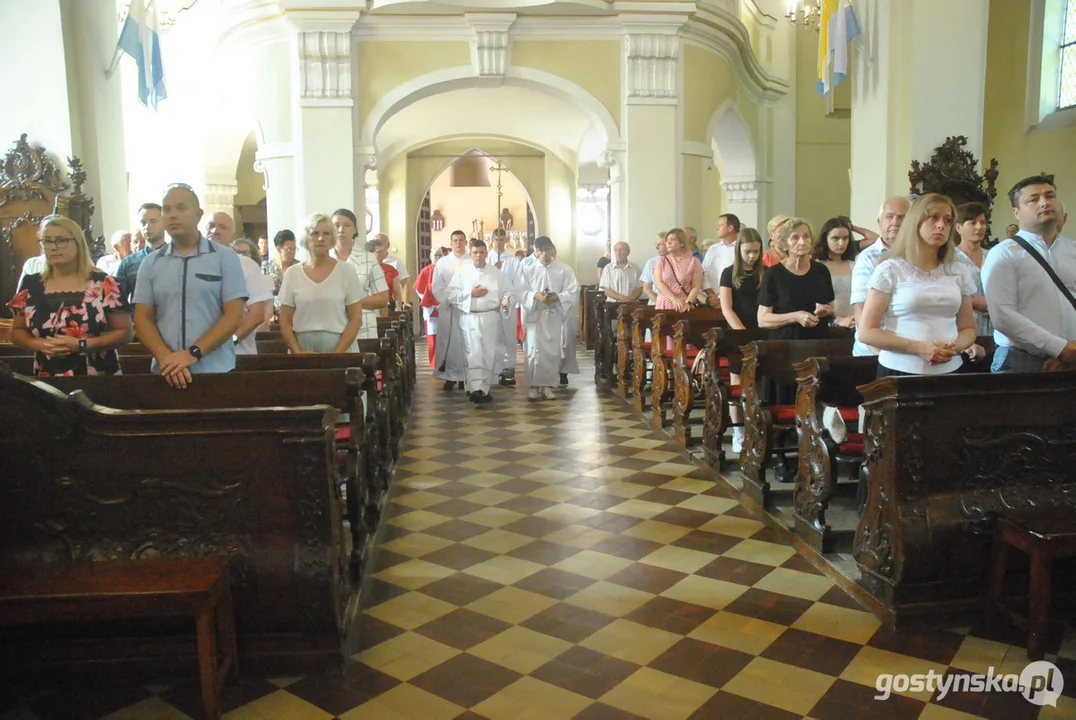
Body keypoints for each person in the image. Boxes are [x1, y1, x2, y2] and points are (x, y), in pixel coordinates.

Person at [132, 184, 248, 388]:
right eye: (166, 209)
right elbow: (142, 318)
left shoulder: (224, 257)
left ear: (198, 214)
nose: (172, 215)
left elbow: (234, 314)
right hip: (166, 371)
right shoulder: (150, 263)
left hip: (216, 370)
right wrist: (167, 358)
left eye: (181, 208)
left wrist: (193, 353)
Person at [859, 194, 979, 377]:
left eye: (947, 220)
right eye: (933, 218)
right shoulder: (890, 269)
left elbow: (968, 328)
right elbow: (867, 332)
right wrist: (920, 348)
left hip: (950, 369)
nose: (941, 225)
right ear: (916, 222)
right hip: (900, 370)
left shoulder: (958, 270)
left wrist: (952, 348)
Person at [7, 215, 133, 376]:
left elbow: (124, 332)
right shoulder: (31, 284)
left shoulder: (104, 283)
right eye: (47, 241)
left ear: (78, 243)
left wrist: (82, 344)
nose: (53, 247)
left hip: (98, 375)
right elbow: (17, 332)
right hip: (48, 374)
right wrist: (41, 345)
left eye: (61, 240)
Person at [983, 175, 1076, 373]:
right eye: (1033, 199)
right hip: (1020, 360)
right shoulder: (1004, 253)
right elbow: (1003, 316)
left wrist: (1071, 353)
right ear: (1016, 212)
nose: (1044, 203)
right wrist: (1059, 349)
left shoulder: (1073, 250)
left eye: (1050, 196)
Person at [278, 214, 365, 354]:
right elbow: (285, 321)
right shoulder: (292, 273)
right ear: (306, 238)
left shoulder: (346, 271)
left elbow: (356, 318)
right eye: (315, 233)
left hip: (341, 346)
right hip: (302, 348)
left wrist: (337, 352)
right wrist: (297, 352)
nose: (321, 238)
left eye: (326, 233)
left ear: (332, 239)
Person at [446, 240, 514, 404]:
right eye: (475, 252)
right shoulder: (462, 272)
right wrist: (471, 294)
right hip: (470, 317)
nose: (478, 256)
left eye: (482, 252)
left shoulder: (496, 273)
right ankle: (477, 388)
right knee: (474, 353)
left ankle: (482, 388)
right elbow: (451, 294)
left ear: (486, 253)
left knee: (487, 353)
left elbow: (508, 290)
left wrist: (506, 299)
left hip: (490, 317)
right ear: (471, 253)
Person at [718, 227, 765, 453]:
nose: (752, 256)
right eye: (747, 252)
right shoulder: (729, 273)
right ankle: (738, 430)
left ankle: (756, 427)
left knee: (758, 382)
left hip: (761, 330)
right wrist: (743, 333)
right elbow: (727, 308)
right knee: (738, 382)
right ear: (739, 251)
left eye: (755, 252)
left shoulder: (765, 272)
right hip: (738, 332)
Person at [850, 196, 913, 356]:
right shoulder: (868, 258)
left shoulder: (918, 256)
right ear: (879, 222)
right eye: (889, 217)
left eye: (902, 217)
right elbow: (860, 308)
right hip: (873, 352)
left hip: (909, 348)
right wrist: (878, 352)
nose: (895, 222)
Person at [519, 236, 580, 400]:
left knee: (551, 352)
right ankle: (533, 386)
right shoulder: (528, 269)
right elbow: (521, 291)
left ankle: (546, 385)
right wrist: (535, 295)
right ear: (536, 251)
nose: (545, 253)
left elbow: (574, 289)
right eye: (541, 250)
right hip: (535, 316)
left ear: (553, 250)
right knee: (533, 352)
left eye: (548, 249)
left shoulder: (564, 269)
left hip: (553, 315)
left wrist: (558, 297)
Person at [205, 212, 273, 355]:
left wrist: (230, 342)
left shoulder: (247, 265)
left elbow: (257, 314)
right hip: (199, 355)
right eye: (210, 226)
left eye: (222, 227)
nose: (215, 231)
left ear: (233, 236)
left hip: (238, 353)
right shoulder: (193, 264)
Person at [757, 218, 835, 339]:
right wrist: (796, 317)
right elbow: (762, 319)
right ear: (784, 244)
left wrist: (828, 311)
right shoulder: (773, 274)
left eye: (806, 236)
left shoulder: (821, 271)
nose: (802, 242)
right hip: (785, 345)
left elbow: (833, 309)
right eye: (795, 238)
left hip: (819, 342)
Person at [332, 209, 390, 339]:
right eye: (336, 225)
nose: (341, 230)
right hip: (331, 327)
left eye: (346, 225)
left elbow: (382, 299)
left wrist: (351, 301)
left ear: (355, 230)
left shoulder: (368, 258)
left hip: (363, 328)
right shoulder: (323, 258)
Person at [431, 230, 472, 390]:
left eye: (461, 240)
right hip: (449, 309)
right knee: (448, 342)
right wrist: (450, 299)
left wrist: (466, 299)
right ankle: (449, 376)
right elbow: (437, 285)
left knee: (465, 342)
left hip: (468, 309)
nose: (458, 243)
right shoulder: (443, 262)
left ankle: (464, 377)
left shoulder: (471, 261)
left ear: (465, 242)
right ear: (451, 242)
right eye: (455, 240)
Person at [490, 228, 524, 385]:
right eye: (496, 239)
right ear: (492, 240)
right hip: (489, 305)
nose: (499, 242)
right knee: (493, 338)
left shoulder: (512, 261)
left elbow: (517, 283)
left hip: (507, 304)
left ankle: (508, 371)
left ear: (506, 240)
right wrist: (493, 270)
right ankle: (493, 371)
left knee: (508, 338)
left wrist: (509, 298)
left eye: (502, 239)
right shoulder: (487, 258)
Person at [953, 202, 993, 337]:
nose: (979, 227)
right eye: (972, 223)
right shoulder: (949, 259)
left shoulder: (993, 256)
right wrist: (974, 302)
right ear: (958, 227)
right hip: (961, 331)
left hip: (995, 331)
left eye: (982, 222)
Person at [115, 202, 166, 304]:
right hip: (138, 317)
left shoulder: (177, 257)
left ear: (164, 223)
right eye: (143, 223)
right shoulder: (128, 262)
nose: (147, 227)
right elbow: (118, 301)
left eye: (153, 221)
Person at [813, 217, 858, 328]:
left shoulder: (854, 265)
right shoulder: (816, 267)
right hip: (829, 325)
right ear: (826, 239)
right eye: (835, 238)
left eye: (845, 238)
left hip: (855, 323)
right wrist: (837, 319)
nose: (841, 243)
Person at [413, 246, 450, 367]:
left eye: (440, 255)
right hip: (431, 309)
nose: (437, 258)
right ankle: (435, 363)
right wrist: (432, 303)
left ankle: (447, 362)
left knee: (446, 338)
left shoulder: (447, 271)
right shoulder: (425, 271)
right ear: (430, 257)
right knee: (433, 339)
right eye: (435, 255)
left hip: (446, 308)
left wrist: (443, 303)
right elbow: (419, 290)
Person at [653, 228, 704, 313]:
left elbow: (696, 287)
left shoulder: (694, 261)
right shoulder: (661, 261)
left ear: (682, 243)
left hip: (684, 305)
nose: (668, 243)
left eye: (672, 239)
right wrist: (674, 299)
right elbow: (658, 283)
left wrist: (688, 302)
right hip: (664, 304)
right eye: (667, 240)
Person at [702, 214, 741, 307]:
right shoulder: (713, 249)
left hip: (734, 301)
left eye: (720, 225)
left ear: (730, 227)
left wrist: (723, 297)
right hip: (712, 301)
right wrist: (710, 294)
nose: (717, 228)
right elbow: (703, 272)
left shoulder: (741, 248)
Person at [263, 229, 299, 317]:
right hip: (271, 316)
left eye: (294, 249)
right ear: (279, 249)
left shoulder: (299, 267)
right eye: (289, 249)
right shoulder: (267, 267)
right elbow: (263, 294)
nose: (293, 252)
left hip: (295, 314)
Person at [598, 242, 642, 311]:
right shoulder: (608, 268)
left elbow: (639, 288)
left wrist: (630, 299)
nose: (618, 253)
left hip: (632, 306)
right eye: (615, 250)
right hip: (613, 306)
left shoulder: (636, 269)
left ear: (628, 252)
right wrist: (621, 297)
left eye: (621, 250)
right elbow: (606, 290)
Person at [366, 237, 407, 312]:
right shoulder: (363, 270)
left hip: (387, 307)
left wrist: (398, 307)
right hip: (367, 306)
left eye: (384, 252)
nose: (383, 255)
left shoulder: (390, 270)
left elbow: (396, 292)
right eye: (379, 252)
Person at [375, 233, 410, 307]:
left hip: (390, 302)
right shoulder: (369, 263)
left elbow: (405, 283)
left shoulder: (395, 262)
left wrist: (405, 302)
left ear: (388, 245)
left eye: (381, 243)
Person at [640, 232, 667, 306]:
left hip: (675, 303)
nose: (657, 247)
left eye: (661, 244)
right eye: (656, 244)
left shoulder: (678, 262)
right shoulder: (652, 262)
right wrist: (658, 301)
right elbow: (646, 288)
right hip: (655, 302)